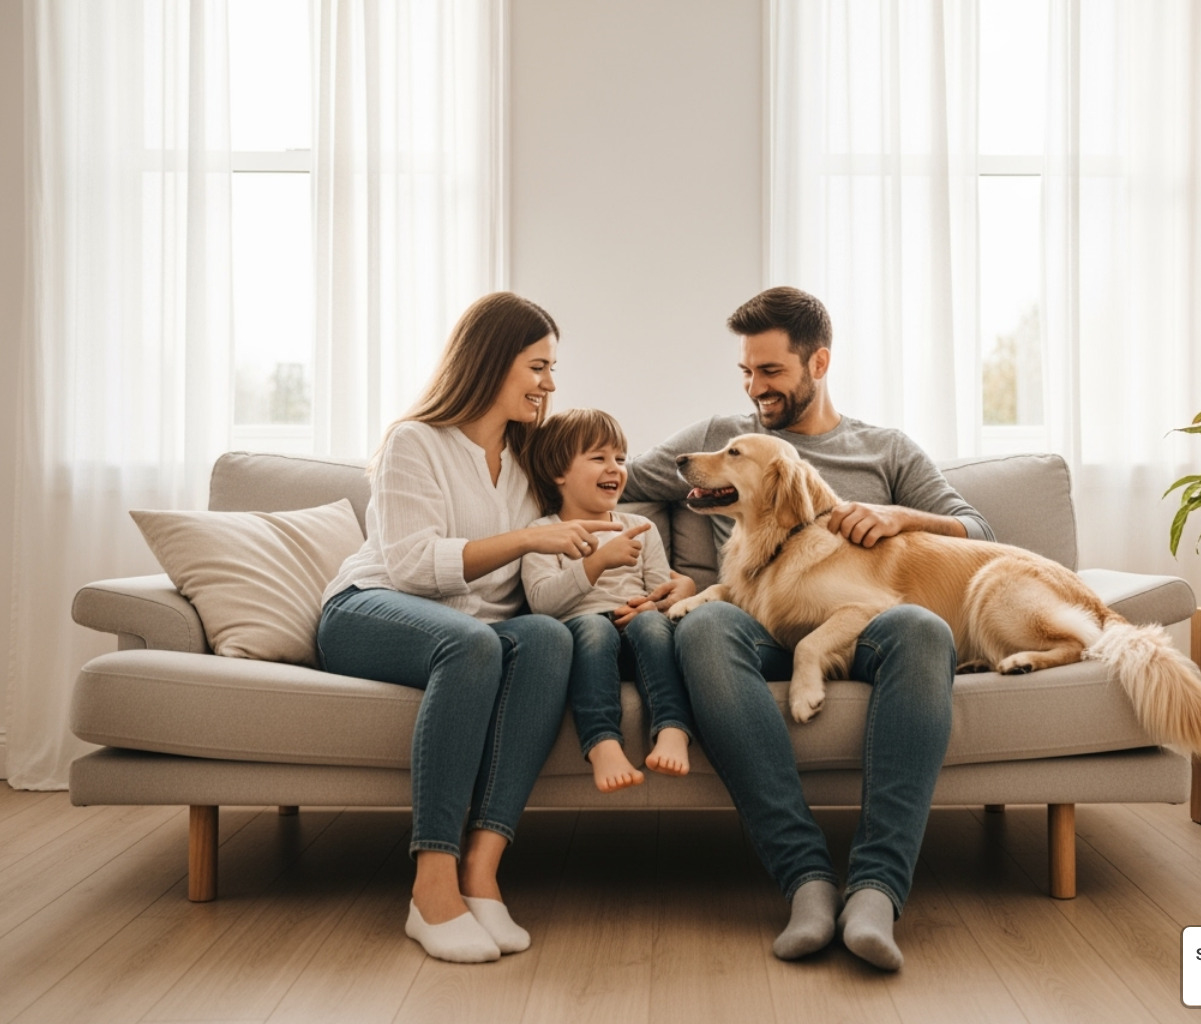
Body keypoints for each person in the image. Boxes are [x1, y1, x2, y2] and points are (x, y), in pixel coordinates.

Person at [622, 286, 994, 972]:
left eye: (771, 372)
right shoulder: (725, 441)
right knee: (701, 631)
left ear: (818, 362)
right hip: (760, 624)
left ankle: (877, 890)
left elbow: (978, 529)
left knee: (922, 628)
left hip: (865, 626)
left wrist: (902, 517)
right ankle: (806, 880)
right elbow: (615, 479)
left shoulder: (886, 448)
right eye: (746, 372)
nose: (755, 388)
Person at [317, 292, 625, 964]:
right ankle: (431, 888)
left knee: (547, 638)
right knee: (472, 642)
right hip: (370, 609)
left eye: (552, 370)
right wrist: (521, 541)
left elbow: (545, 585)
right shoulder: (415, 442)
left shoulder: (526, 461)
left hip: (474, 633)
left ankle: (483, 873)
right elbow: (410, 564)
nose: (550, 384)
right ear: (491, 360)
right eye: (538, 366)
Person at [520, 408, 696, 792]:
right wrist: (596, 562)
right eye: (598, 458)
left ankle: (672, 730)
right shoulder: (543, 532)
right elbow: (542, 603)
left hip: (636, 631)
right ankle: (602, 744)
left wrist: (653, 606)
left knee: (652, 624)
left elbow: (660, 590)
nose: (615, 468)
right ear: (558, 473)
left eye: (620, 458)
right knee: (593, 627)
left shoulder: (640, 528)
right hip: (586, 641)